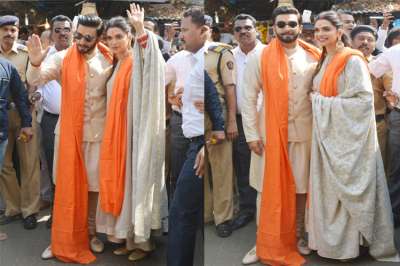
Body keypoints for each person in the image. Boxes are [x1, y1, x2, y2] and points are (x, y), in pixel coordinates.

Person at [308, 10, 399, 262]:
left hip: (349, 140)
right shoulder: (324, 59)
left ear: (340, 32)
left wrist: (319, 102)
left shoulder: (352, 60)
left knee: (348, 191)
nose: (320, 34)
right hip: (326, 138)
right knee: (330, 192)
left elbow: (362, 102)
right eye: (317, 30)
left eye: (326, 29)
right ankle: (330, 244)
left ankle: (352, 245)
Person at [26, 13, 114, 263]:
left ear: (98, 37)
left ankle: (91, 234)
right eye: (79, 36)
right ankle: (60, 240)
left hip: (97, 135)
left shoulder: (109, 58)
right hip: (67, 136)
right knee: (64, 188)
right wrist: (34, 63)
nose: (82, 41)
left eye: (88, 37)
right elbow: (36, 80)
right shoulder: (61, 58)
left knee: (93, 189)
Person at [241, 5, 320, 265]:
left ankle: (296, 237)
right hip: (270, 137)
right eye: (282, 24)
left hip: (305, 135)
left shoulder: (314, 56)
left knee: (300, 190)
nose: (287, 29)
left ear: (300, 26)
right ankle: (262, 241)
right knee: (267, 191)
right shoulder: (259, 57)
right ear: (273, 27)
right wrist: (252, 135)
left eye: (292, 24)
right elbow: (248, 98)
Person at [95, 8, 166, 262]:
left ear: (129, 37)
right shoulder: (116, 64)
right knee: (123, 185)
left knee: (136, 184)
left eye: (118, 37)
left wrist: (140, 29)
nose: (113, 42)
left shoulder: (138, 59)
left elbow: (154, 63)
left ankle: (143, 243)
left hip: (135, 134)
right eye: (109, 38)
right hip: (117, 136)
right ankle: (126, 238)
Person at [167, 8, 225, 266]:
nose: (181, 35)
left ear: (203, 31)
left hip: (198, 146)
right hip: (194, 142)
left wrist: (204, 143)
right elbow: (208, 95)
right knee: (188, 212)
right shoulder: (194, 58)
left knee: (181, 212)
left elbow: (214, 97)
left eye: (185, 30)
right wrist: (178, 97)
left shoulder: (209, 57)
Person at [0, 15, 41, 230]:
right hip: (1, 118)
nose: (9, 33)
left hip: (25, 115)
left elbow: (35, 82)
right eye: (5, 29)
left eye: (13, 30)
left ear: (18, 32)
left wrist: (35, 96)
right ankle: (13, 207)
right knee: (4, 164)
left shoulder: (26, 54)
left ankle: (30, 210)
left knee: (29, 164)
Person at [230, 13, 263, 231]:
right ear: (234, 34)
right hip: (241, 121)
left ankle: (269, 209)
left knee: (269, 164)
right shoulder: (229, 56)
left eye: (247, 27)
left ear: (257, 30)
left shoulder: (269, 53)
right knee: (244, 166)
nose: (243, 31)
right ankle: (247, 209)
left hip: (268, 119)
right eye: (239, 29)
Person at [369, 24, 400, 227]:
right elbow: (370, 71)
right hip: (398, 115)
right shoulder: (394, 51)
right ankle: (393, 219)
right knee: (396, 168)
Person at [0, 57, 33, 241]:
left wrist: (26, 123)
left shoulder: (7, 66)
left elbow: (20, 96)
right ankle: (14, 208)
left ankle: (23, 210)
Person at [351, 25, 392, 172]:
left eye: (370, 40)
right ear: (351, 41)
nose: (365, 42)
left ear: (375, 43)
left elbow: (391, 93)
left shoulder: (382, 64)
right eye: (361, 38)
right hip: (348, 125)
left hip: (377, 124)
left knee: (378, 168)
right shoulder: (341, 63)